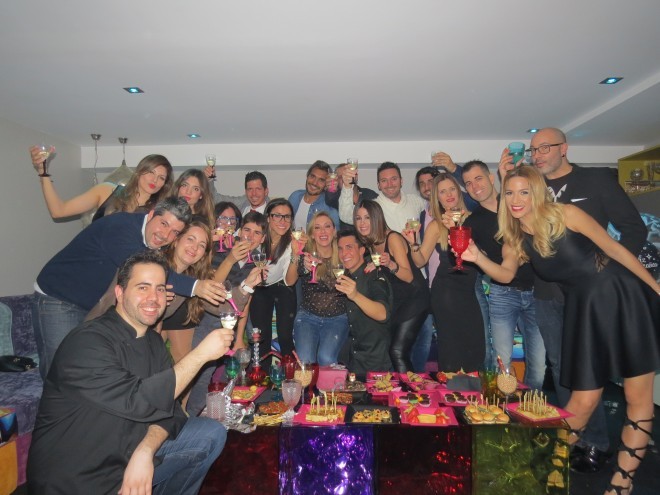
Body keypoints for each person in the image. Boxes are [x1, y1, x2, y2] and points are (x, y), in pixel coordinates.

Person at [461, 165, 659, 495]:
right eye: (510, 193)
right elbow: (506, 275)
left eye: (524, 191)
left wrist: (654, 288)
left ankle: (621, 483)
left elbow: (614, 249)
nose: (516, 199)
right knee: (582, 400)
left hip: (620, 295)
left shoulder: (566, 214)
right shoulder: (515, 237)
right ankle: (535, 465)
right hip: (583, 309)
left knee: (637, 398)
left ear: (537, 192)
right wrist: (477, 257)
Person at [499, 127, 648, 473]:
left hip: (598, 294)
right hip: (549, 295)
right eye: (534, 149)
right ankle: (574, 442)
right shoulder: (528, 190)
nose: (538, 154)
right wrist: (503, 177)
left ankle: (595, 445)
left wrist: (609, 274)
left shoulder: (595, 180)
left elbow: (632, 230)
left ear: (564, 148)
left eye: (545, 147)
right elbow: (509, 226)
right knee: (566, 372)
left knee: (608, 378)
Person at [27, 251, 231, 495]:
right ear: (119, 293)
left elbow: (171, 411)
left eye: (159, 289)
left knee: (209, 433)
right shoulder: (87, 341)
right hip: (80, 478)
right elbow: (139, 400)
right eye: (142, 288)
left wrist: (145, 451)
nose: (153, 298)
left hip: (129, 454)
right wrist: (200, 355)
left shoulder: (153, 342)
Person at [32, 197, 228, 378]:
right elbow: (144, 270)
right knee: (60, 370)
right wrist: (195, 286)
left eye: (175, 232)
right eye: (163, 224)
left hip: (89, 305)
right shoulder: (121, 227)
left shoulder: (153, 243)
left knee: (82, 370)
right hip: (58, 297)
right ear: (151, 214)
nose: (165, 235)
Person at [461, 160, 545, 389]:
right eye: (468, 183)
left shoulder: (515, 204)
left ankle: (530, 409)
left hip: (537, 292)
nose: (474, 186)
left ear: (491, 178)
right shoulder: (472, 221)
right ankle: (503, 407)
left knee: (539, 366)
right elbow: (471, 258)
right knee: (502, 362)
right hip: (503, 293)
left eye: (478, 178)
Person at [182, 211, 267, 417]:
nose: (250, 236)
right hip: (207, 317)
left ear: (263, 238)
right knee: (200, 371)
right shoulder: (221, 249)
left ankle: (212, 415)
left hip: (230, 321)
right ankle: (187, 415)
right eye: (247, 230)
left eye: (257, 233)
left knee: (227, 373)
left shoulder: (256, 261)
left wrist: (239, 337)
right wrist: (230, 259)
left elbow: (246, 301)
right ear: (239, 231)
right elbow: (212, 287)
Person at [406, 173, 485, 371]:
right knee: (452, 350)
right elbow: (420, 260)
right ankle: (452, 388)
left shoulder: (475, 219)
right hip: (446, 292)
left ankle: (471, 389)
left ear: (459, 191)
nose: (448, 195)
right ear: (437, 197)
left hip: (469, 292)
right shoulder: (436, 225)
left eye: (452, 189)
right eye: (442, 192)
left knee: (475, 348)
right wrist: (413, 243)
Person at [355, 200, 429, 372]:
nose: (362, 223)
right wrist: (377, 265)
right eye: (358, 218)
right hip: (398, 300)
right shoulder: (371, 242)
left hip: (415, 298)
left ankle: (408, 389)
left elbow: (408, 276)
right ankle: (404, 385)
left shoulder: (393, 238)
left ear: (377, 218)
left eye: (367, 217)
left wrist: (390, 265)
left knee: (397, 351)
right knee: (394, 351)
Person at [30, 149, 174, 222]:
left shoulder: (159, 212)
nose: (155, 180)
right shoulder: (107, 191)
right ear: (140, 171)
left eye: (161, 178)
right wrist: (43, 172)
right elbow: (59, 211)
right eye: (151, 172)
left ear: (164, 184)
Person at [249, 199, 303, 362]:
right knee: (261, 336)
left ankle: (290, 373)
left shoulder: (292, 242)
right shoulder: (257, 236)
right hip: (259, 286)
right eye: (277, 216)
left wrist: (295, 254)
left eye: (287, 217)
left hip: (282, 285)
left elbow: (290, 281)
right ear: (268, 217)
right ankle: (261, 374)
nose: (283, 221)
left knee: (285, 335)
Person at [293, 211, 348, 365]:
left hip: (338, 317)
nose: (323, 232)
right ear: (312, 234)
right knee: (306, 362)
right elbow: (292, 278)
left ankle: (329, 383)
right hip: (307, 317)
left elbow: (361, 263)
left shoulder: (344, 255)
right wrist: (298, 259)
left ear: (334, 231)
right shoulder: (306, 257)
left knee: (326, 358)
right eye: (317, 228)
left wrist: (373, 264)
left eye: (327, 226)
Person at [335, 230, 392, 377]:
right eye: (340, 249)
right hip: (354, 360)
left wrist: (355, 295)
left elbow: (383, 314)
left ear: (362, 250)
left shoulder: (374, 274)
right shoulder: (346, 276)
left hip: (375, 362)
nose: (344, 253)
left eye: (349, 247)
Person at [410, 166, 440, 372]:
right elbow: (421, 256)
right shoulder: (421, 215)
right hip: (428, 285)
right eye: (422, 183)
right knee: (424, 337)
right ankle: (417, 381)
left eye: (431, 181)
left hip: (455, 286)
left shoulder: (453, 210)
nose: (427, 187)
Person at [339, 161, 425, 232]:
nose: (389, 184)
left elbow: (432, 210)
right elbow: (346, 216)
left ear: (401, 181)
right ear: (378, 185)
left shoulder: (416, 201)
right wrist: (347, 186)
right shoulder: (373, 207)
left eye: (394, 179)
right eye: (384, 180)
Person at [288, 160, 340, 229]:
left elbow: (335, 233)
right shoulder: (295, 196)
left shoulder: (329, 206)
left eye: (321, 180)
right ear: (307, 176)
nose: (315, 183)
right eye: (312, 176)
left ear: (326, 184)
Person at [325, 163, 378, 230]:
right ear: (336, 181)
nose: (346, 179)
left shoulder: (369, 194)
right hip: (346, 236)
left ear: (356, 177)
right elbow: (330, 198)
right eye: (341, 177)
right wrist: (331, 188)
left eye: (349, 175)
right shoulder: (337, 197)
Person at [206, 170, 270, 215]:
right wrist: (209, 179)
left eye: (258, 189)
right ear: (245, 192)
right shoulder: (242, 203)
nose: (254, 194)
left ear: (266, 191)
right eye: (250, 189)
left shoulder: (272, 213)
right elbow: (216, 199)